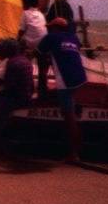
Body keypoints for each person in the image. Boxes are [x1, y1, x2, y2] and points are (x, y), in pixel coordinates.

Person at [36, 15, 89, 163]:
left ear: (54, 28)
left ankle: (74, 154)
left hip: (66, 80)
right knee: (70, 106)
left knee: (69, 118)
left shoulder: (50, 37)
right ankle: (77, 148)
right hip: (80, 77)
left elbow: (39, 53)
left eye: (50, 28)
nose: (48, 30)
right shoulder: (73, 38)